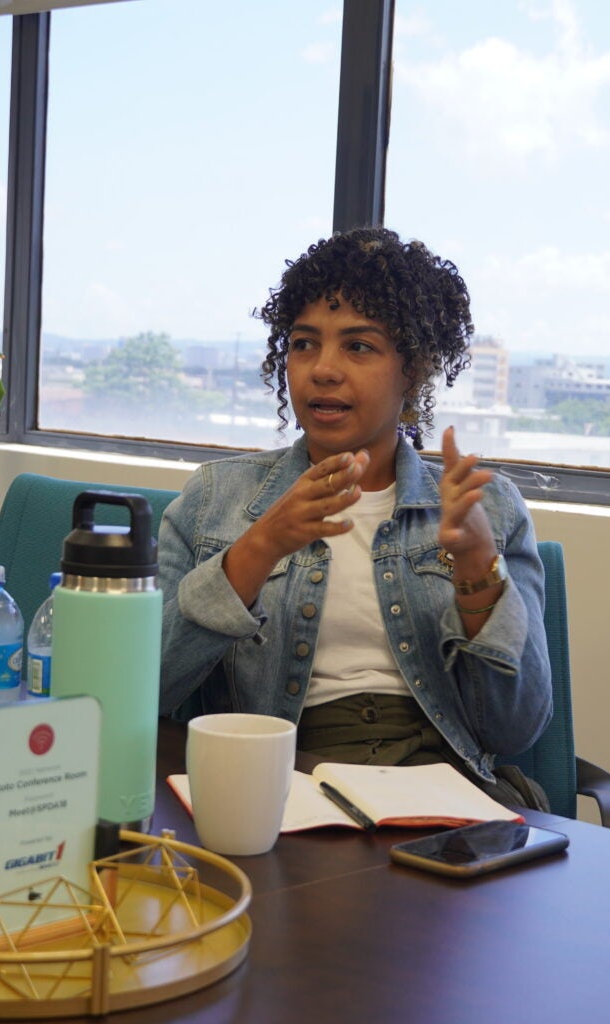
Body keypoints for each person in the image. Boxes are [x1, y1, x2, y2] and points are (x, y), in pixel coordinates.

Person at [158, 227, 552, 806]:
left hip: (445, 792)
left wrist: (477, 568)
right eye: (303, 344)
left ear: (413, 370)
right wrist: (258, 547)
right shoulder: (214, 498)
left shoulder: (485, 507)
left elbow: (515, 729)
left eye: (359, 347)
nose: (323, 369)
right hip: (278, 786)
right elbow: (144, 688)